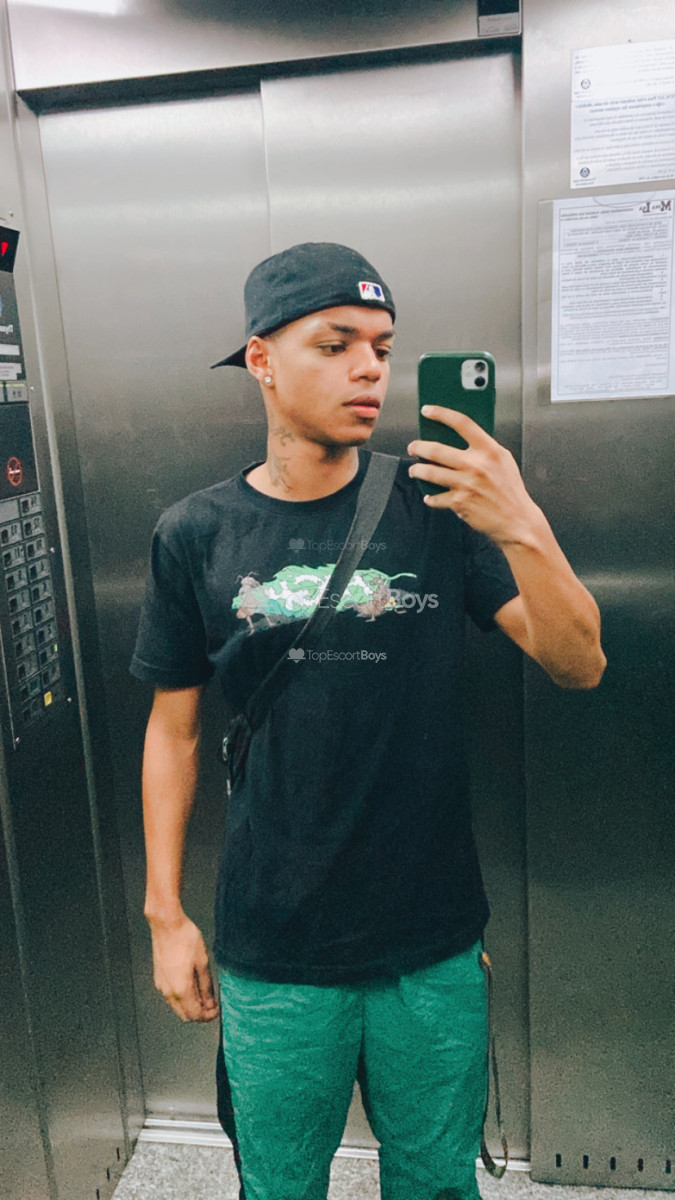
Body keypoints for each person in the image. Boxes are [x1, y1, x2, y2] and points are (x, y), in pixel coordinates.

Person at [131, 242, 605, 1200]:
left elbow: (578, 663)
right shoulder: (195, 532)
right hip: (275, 942)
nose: (369, 370)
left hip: (429, 940)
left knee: (435, 1181)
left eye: (382, 349)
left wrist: (520, 523)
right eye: (335, 343)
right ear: (261, 359)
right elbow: (171, 732)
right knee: (279, 1184)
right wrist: (164, 913)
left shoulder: (439, 508)